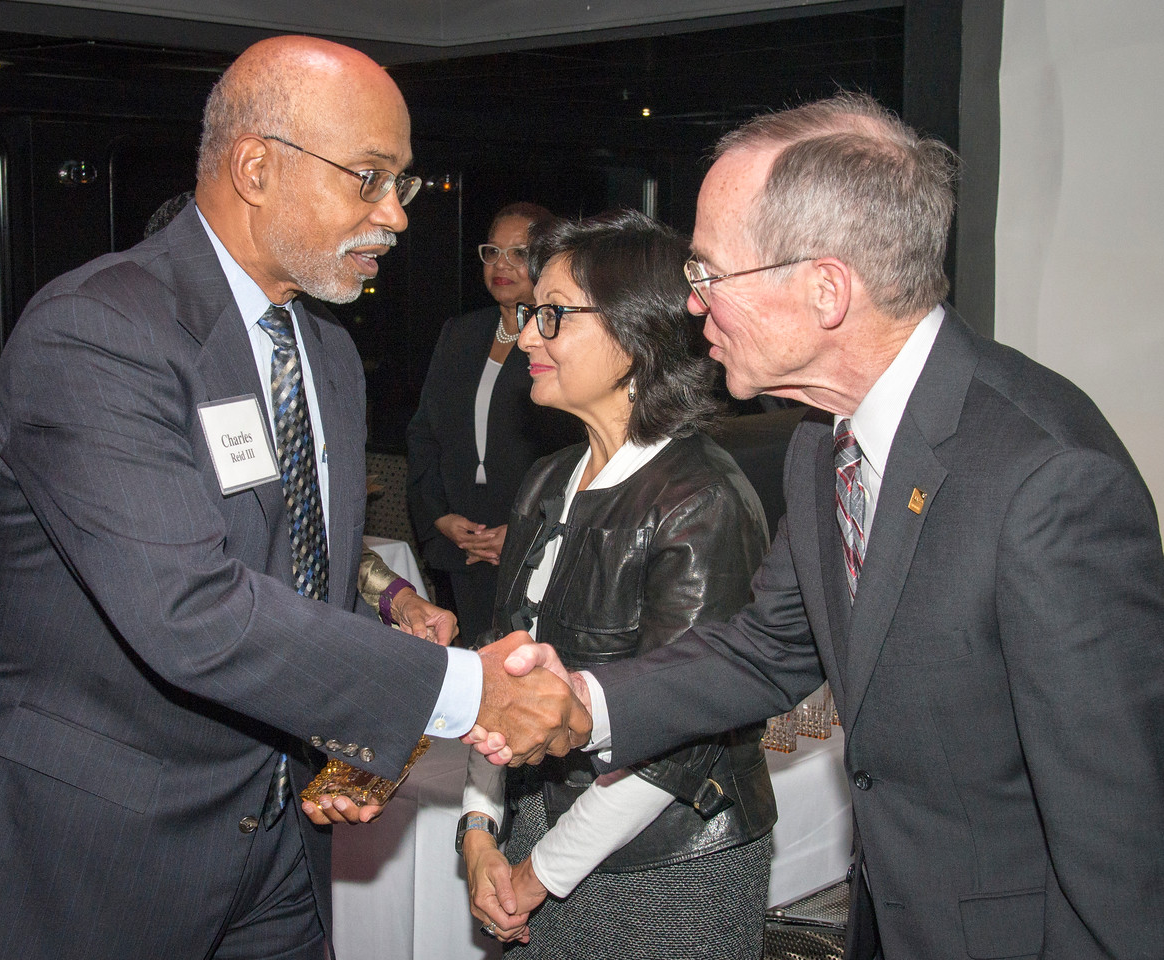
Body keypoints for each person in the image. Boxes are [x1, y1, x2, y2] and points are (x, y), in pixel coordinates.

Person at [474, 93, 1164, 959]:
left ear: (825, 290)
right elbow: (768, 647)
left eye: (707, 275)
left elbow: (1118, 835)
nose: (692, 308)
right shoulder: (821, 441)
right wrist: (585, 703)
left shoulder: (1045, 480)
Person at [0, 35, 588, 960]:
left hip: (279, 839)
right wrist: (464, 690)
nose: (395, 217)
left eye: (400, 183)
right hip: (97, 853)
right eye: (369, 177)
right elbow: (189, 610)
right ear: (254, 167)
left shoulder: (322, 354)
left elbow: (301, 587)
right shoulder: (98, 331)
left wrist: (349, 747)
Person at [456, 210, 776, 958]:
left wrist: (534, 876)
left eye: (553, 314)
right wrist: (478, 834)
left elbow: (677, 744)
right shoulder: (544, 481)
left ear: (638, 339)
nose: (527, 334)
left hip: (662, 867)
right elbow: (500, 675)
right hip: (534, 836)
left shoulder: (701, 502)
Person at [144, 189, 456, 645]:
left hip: (327, 655)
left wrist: (395, 597)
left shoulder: (331, 348)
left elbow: (313, 523)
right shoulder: (149, 361)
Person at [407, 202, 579, 643]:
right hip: (461, 539)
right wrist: (438, 516)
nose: (501, 265)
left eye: (518, 254)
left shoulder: (565, 343)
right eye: (492, 252)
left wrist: (525, 533)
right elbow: (424, 433)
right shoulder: (460, 333)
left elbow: (580, 454)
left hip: (530, 536)